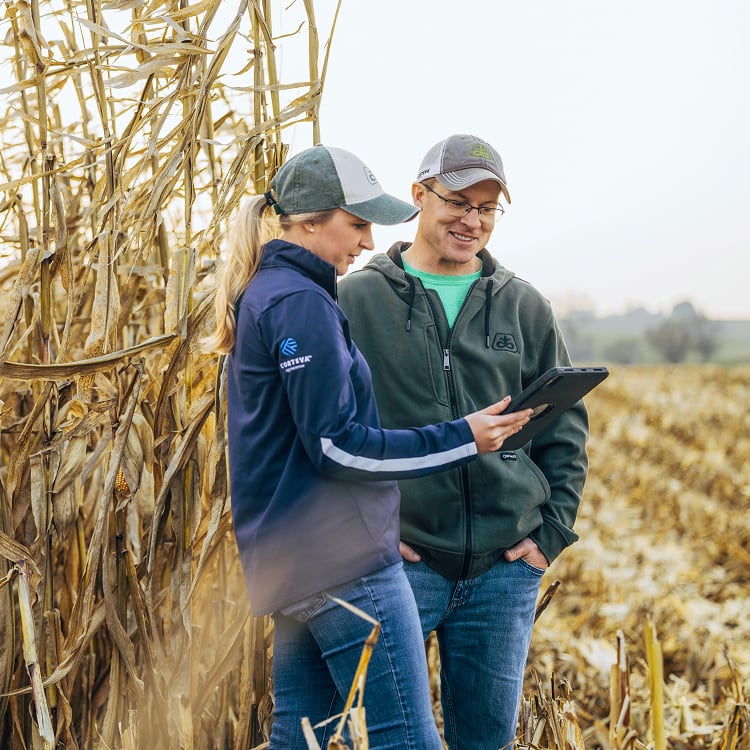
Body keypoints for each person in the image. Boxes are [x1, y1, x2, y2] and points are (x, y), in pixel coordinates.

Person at [206, 144, 532, 750]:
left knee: (301, 737)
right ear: (308, 221)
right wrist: (463, 437)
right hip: (343, 562)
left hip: (291, 564)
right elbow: (337, 446)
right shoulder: (300, 302)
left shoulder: (272, 292)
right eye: (355, 223)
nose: (366, 240)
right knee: (407, 739)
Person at [338, 134, 590, 750]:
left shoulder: (525, 307)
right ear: (419, 195)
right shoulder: (354, 300)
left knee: (487, 742)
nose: (471, 220)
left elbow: (563, 428)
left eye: (486, 208)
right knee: (373, 737)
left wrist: (550, 532)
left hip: (504, 570)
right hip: (398, 562)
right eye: (457, 201)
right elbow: (326, 429)